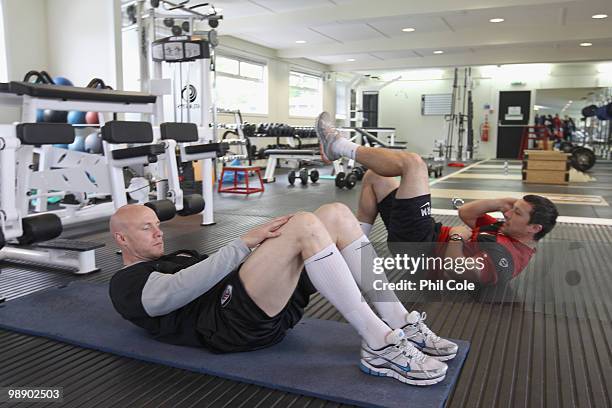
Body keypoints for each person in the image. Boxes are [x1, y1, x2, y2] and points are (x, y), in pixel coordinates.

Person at [108, 203, 458, 386]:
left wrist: (265, 244)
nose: (158, 233)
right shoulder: (126, 283)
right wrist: (244, 242)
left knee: (335, 214)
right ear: (121, 239)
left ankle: (398, 320)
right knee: (304, 224)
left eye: (157, 224)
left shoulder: (172, 256)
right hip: (228, 327)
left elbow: (229, 271)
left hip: (260, 307)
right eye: (146, 228)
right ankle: (379, 344)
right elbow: (169, 295)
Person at [315, 112, 559, 286]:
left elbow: (455, 272)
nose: (508, 214)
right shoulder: (505, 230)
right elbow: (466, 214)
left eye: (517, 213)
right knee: (376, 176)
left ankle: (337, 145)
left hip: (422, 251)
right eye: (512, 209)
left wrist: (455, 238)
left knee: (413, 164)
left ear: (534, 228)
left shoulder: (507, 258)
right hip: (426, 234)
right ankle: (353, 253)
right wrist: (498, 202)